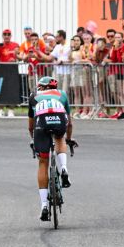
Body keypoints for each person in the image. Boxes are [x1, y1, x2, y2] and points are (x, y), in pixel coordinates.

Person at [28, 77, 76, 221]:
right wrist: (68, 139)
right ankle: (64, 169)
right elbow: (70, 123)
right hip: (59, 120)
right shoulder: (62, 94)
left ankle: (44, 206)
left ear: (42, 87)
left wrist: (33, 140)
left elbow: (30, 126)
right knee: (60, 138)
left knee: (43, 162)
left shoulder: (34, 96)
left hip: (41, 124)